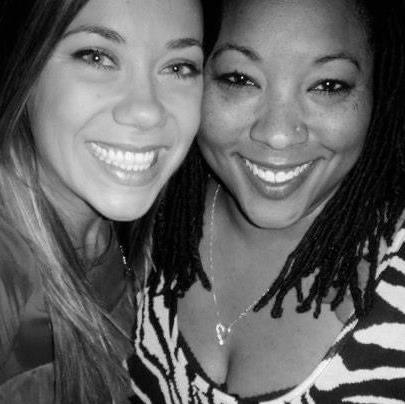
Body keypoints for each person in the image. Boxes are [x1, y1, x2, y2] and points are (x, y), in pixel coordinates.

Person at [127, 0, 405, 402]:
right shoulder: (135, 219)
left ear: (379, 89)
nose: (277, 134)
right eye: (240, 79)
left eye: (328, 86)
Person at [0, 0, 206, 402]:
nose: (146, 110)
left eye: (179, 67)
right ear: (27, 67)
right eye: (96, 56)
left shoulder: (140, 238)